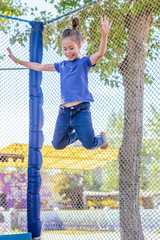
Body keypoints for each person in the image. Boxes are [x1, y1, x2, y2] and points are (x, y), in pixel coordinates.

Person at [7, 15, 112, 150]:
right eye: (65, 49)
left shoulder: (84, 62)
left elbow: (100, 54)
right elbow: (39, 66)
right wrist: (17, 60)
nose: (68, 52)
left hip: (81, 111)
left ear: (79, 45)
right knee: (57, 144)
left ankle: (102, 139)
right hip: (64, 112)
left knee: (90, 144)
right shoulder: (61, 66)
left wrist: (104, 35)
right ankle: (79, 134)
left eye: (71, 48)